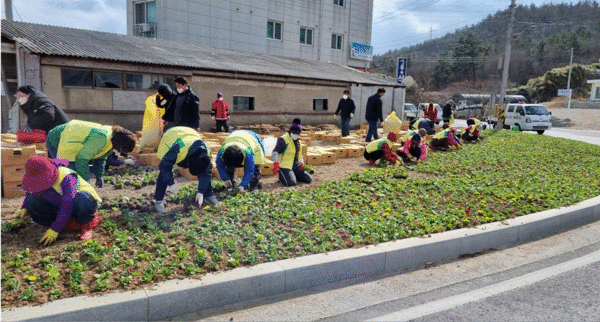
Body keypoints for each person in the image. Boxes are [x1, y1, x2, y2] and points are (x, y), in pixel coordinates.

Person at [17, 155, 101, 245]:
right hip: (59, 204)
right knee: (32, 199)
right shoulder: (40, 179)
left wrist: (56, 228)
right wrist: (24, 207)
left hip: (78, 204)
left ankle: (86, 225)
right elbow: (32, 189)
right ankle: (59, 222)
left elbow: (68, 203)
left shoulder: (67, 177)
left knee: (82, 199)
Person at [46, 120, 137, 186]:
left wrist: (99, 175)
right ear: (120, 144)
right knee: (71, 175)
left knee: (76, 178)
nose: (119, 152)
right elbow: (81, 158)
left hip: (71, 143)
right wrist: (86, 183)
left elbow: (100, 157)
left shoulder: (112, 139)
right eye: (121, 150)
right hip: (57, 138)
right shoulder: (102, 137)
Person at [154, 126, 219, 213]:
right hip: (171, 136)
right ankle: (159, 200)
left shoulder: (206, 152)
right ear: (188, 163)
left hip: (189, 134)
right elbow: (164, 166)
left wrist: (201, 192)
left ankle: (208, 194)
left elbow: (206, 173)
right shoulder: (178, 147)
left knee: (203, 169)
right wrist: (171, 184)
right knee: (164, 172)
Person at [272, 118, 312, 187]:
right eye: (294, 133)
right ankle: (283, 176)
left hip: (295, 166)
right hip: (285, 166)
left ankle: (292, 174)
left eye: (298, 133)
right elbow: (275, 152)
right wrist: (276, 163)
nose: (296, 134)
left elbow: (300, 154)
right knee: (291, 183)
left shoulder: (298, 142)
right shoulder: (283, 139)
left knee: (308, 179)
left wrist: (302, 164)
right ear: (291, 131)